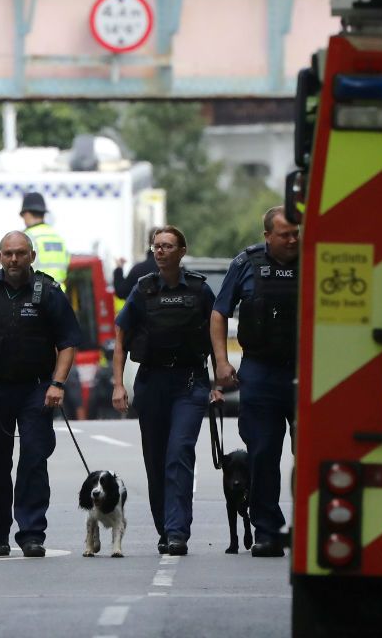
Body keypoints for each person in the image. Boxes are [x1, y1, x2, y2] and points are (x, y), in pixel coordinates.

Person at [0, 231, 81, 558]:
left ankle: (32, 533)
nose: (14, 259)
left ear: (31, 256)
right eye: (8, 253)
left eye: (20, 253)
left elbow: (67, 342)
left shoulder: (48, 291)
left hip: (36, 389)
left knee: (34, 458)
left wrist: (57, 384)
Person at [111, 225, 222, 556]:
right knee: (156, 460)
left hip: (189, 383)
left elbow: (216, 331)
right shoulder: (143, 289)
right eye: (156, 246)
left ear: (181, 251)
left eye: (167, 246)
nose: (160, 251)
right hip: (152, 382)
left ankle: (177, 531)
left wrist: (219, 378)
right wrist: (118, 384)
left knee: (179, 454)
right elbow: (121, 335)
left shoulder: (199, 290)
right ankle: (165, 528)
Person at [210, 206, 300, 558]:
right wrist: (221, 362)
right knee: (262, 454)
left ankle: (311, 527)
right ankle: (267, 531)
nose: (292, 240)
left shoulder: (317, 258)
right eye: (284, 235)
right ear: (267, 236)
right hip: (262, 372)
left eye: (296, 233)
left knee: (312, 454)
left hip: (308, 372)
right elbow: (219, 312)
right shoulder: (246, 263)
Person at [19, 192, 69, 287]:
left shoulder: (27, 238)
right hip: (58, 293)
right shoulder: (58, 237)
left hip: (36, 294)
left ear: (27, 214)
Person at [114, 228, 159, 301]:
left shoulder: (139, 270)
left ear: (149, 243)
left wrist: (119, 269)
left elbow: (121, 292)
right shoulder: (175, 270)